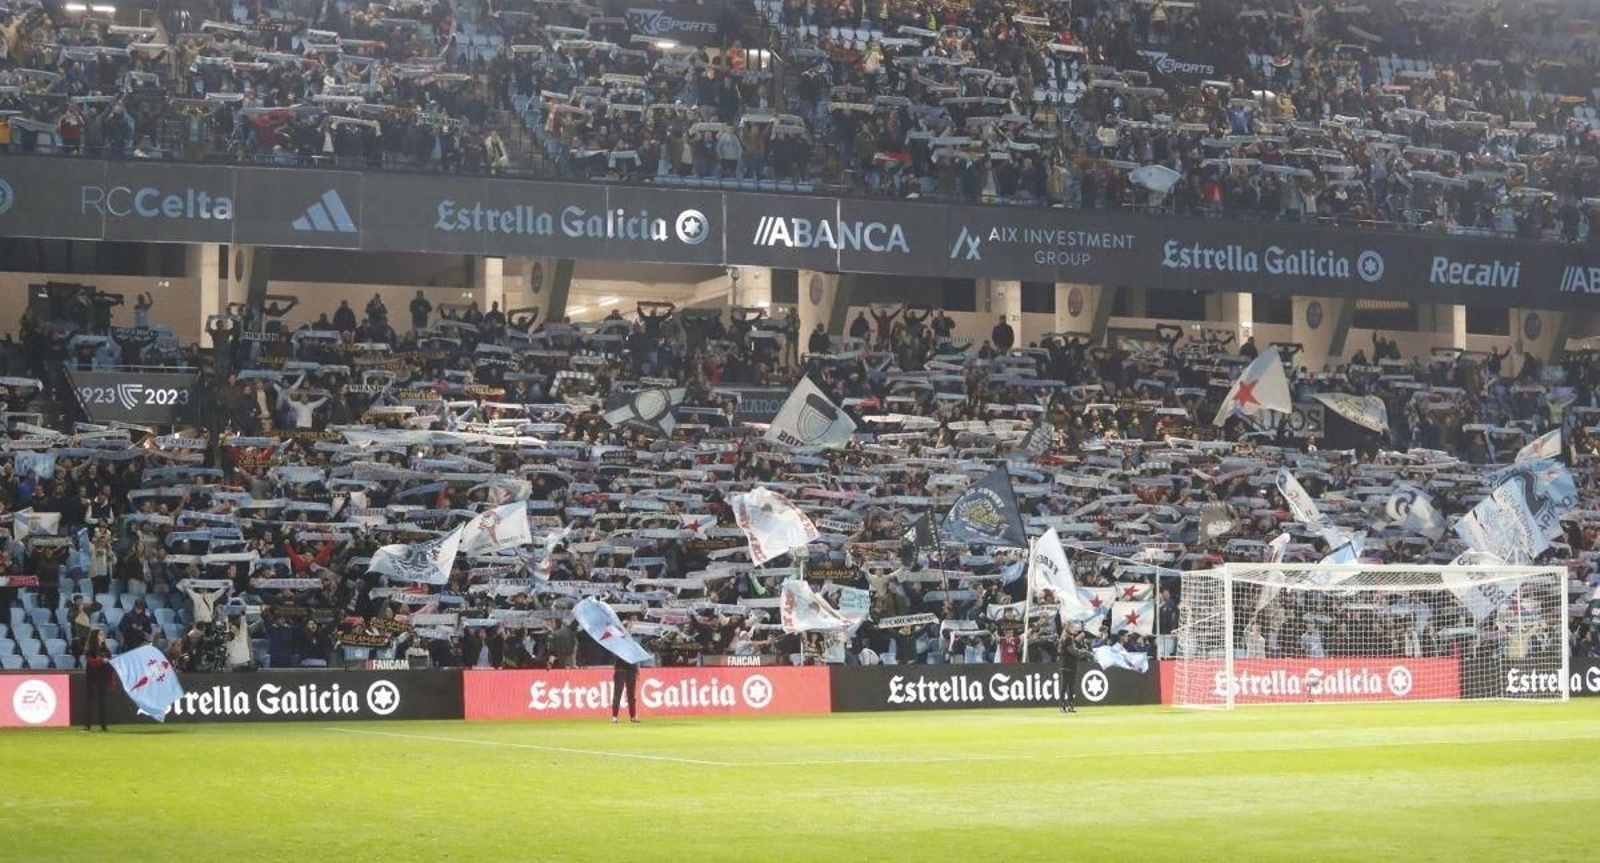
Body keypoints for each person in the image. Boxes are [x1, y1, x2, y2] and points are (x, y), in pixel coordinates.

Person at [1057, 623, 1092, 714]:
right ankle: (1063, 705)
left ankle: (1068, 705)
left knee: (1069, 686)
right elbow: (1073, 651)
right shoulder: (1067, 638)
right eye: (1072, 627)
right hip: (1067, 664)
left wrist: (1080, 637)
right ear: (1068, 628)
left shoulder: (1067, 638)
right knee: (1065, 686)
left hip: (1069, 665)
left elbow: (1074, 644)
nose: (1074, 629)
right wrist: (1085, 652)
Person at [83, 629, 112, 732]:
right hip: (92, 678)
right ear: (95, 636)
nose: (103, 636)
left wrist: (110, 679)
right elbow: (90, 662)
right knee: (90, 702)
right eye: (100, 634)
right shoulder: (90, 649)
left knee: (103, 702)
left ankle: (104, 725)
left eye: (103, 634)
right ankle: (87, 725)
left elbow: (110, 663)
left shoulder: (106, 650)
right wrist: (101, 661)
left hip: (103, 677)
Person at [611, 652, 640, 724]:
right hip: (621, 670)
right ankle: (615, 717)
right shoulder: (619, 645)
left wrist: (637, 669)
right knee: (618, 694)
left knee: (631, 695)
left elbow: (636, 658)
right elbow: (614, 656)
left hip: (630, 670)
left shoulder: (632, 645)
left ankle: (632, 717)